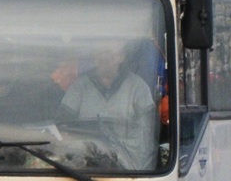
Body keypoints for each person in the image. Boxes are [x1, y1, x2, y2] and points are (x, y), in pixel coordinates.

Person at [57, 41, 158, 170]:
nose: (106, 60)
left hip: (129, 167)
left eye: (111, 56)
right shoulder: (79, 87)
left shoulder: (137, 87)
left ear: (121, 57)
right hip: (85, 165)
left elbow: (148, 133)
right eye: (101, 56)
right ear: (95, 59)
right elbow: (63, 126)